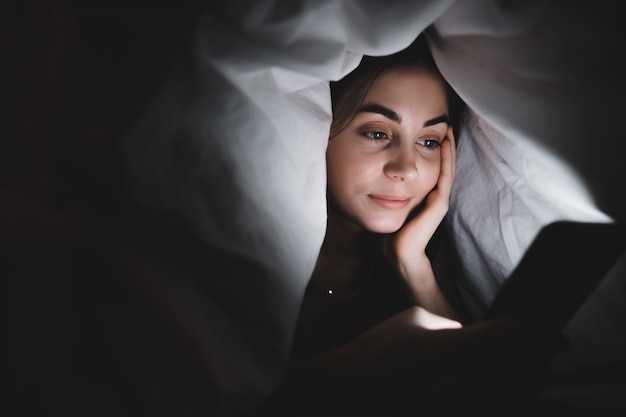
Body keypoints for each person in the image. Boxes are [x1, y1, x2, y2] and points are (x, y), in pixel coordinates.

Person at [253, 34, 566, 416]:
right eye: (377, 133)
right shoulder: (249, 256)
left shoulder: (428, 256)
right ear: (319, 130)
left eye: (429, 141)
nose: (406, 168)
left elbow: (470, 396)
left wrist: (412, 265)